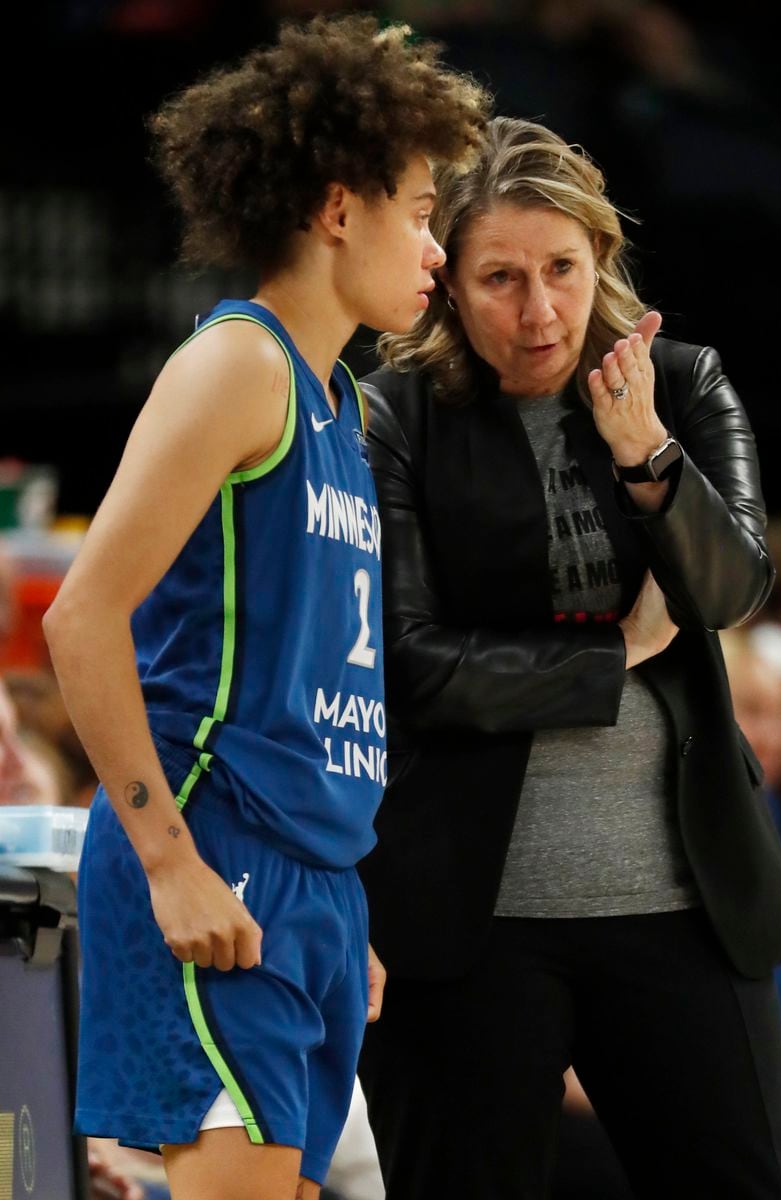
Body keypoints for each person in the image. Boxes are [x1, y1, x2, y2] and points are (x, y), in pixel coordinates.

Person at [42, 17, 488, 1200]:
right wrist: (170, 860)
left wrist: (334, 897)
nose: (435, 247)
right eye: (418, 208)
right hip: (214, 850)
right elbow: (80, 619)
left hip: (311, 883)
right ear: (337, 209)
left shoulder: (339, 404)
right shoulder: (239, 366)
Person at [356, 116, 781, 1200]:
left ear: (600, 257)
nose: (538, 308)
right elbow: (411, 666)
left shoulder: (682, 384)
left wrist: (645, 455)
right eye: (498, 276)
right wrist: (616, 654)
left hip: (682, 903)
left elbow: (733, 589)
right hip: (470, 917)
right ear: (447, 284)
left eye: (560, 267)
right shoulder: (392, 414)